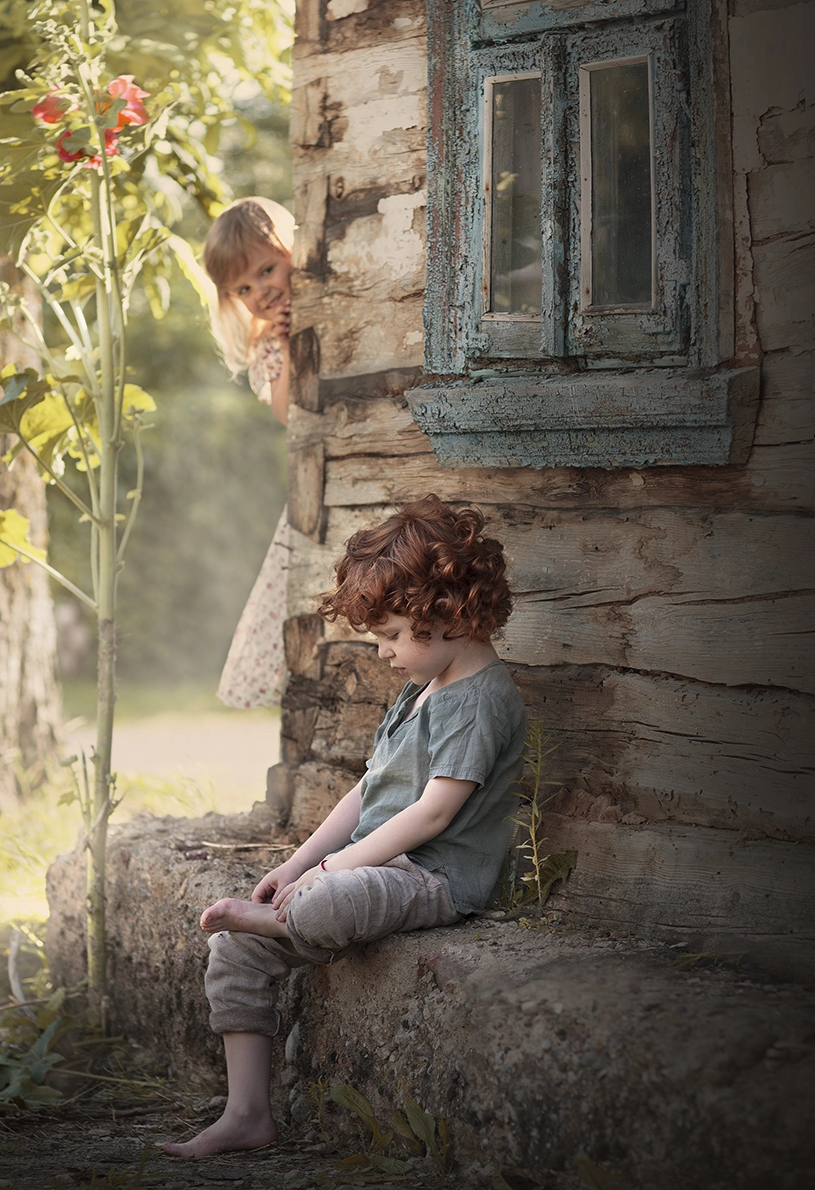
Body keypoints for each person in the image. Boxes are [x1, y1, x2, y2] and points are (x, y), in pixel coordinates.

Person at [160, 495, 527, 1159]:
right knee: (235, 947)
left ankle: (285, 918)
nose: (382, 652)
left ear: (448, 613)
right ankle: (246, 1114)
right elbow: (367, 791)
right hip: (375, 867)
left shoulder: (480, 701)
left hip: (434, 878)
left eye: (392, 635)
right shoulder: (422, 689)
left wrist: (332, 871)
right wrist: (298, 864)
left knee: (328, 900)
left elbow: (434, 812)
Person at [203, 196, 294, 709]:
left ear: (291, 250)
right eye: (244, 288)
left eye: (267, 270)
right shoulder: (269, 345)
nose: (261, 291)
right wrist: (289, 347)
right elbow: (287, 412)